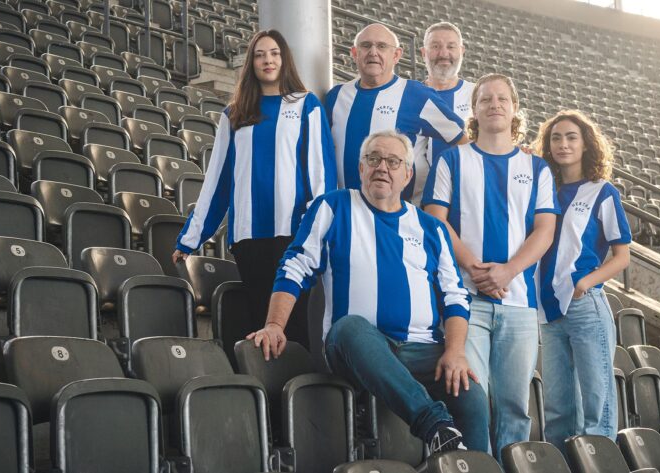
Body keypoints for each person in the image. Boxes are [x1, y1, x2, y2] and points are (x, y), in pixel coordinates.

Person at [246, 130, 490, 454]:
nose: (382, 167)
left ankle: (472, 464)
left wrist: (455, 351)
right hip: (355, 348)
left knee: (470, 390)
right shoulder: (333, 207)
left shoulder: (430, 228)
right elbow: (295, 267)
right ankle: (436, 428)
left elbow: (454, 295)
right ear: (361, 168)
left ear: (408, 174)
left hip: (421, 349)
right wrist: (275, 324)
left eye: (393, 161)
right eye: (373, 159)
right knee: (350, 326)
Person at [422, 73, 559, 459]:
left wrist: (508, 270)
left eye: (502, 99)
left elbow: (544, 230)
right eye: (486, 99)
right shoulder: (453, 160)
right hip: (466, 301)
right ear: (474, 109)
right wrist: (477, 269)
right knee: (473, 398)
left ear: (515, 109)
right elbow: (434, 219)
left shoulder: (538, 169)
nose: (494, 104)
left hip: (519, 302)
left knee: (515, 406)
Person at [173, 30, 336, 349]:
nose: (268, 60)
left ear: (284, 58)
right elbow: (217, 182)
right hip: (248, 236)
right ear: (251, 63)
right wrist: (190, 239)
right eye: (260, 54)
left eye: (274, 53)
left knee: (295, 326)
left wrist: (319, 231)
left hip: (294, 234)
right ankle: (267, 395)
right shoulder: (234, 114)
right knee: (259, 324)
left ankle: (296, 394)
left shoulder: (306, 105)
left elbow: (321, 175)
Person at [532, 109, 631, 455]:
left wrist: (585, 283)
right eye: (556, 137)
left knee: (596, 407)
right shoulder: (542, 191)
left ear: (586, 143)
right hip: (549, 309)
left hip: (584, 305)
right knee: (558, 409)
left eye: (571, 137)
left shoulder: (602, 192)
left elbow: (622, 256)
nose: (563, 144)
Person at [325, 23, 467, 201]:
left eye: (382, 46)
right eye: (366, 45)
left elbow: (462, 139)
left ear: (396, 55)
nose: (373, 52)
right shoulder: (335, 97)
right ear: (354, 53)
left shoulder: (416, 94)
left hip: (402, 216)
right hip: (348, 212)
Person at [412, 21, 475, 204]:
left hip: (465, 202)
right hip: (414, 203)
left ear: (461, 51)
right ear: (424, 53)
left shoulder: (479, 95)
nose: (443, 54)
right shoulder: (409, 94)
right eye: (435, 46)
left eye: (451, 46)